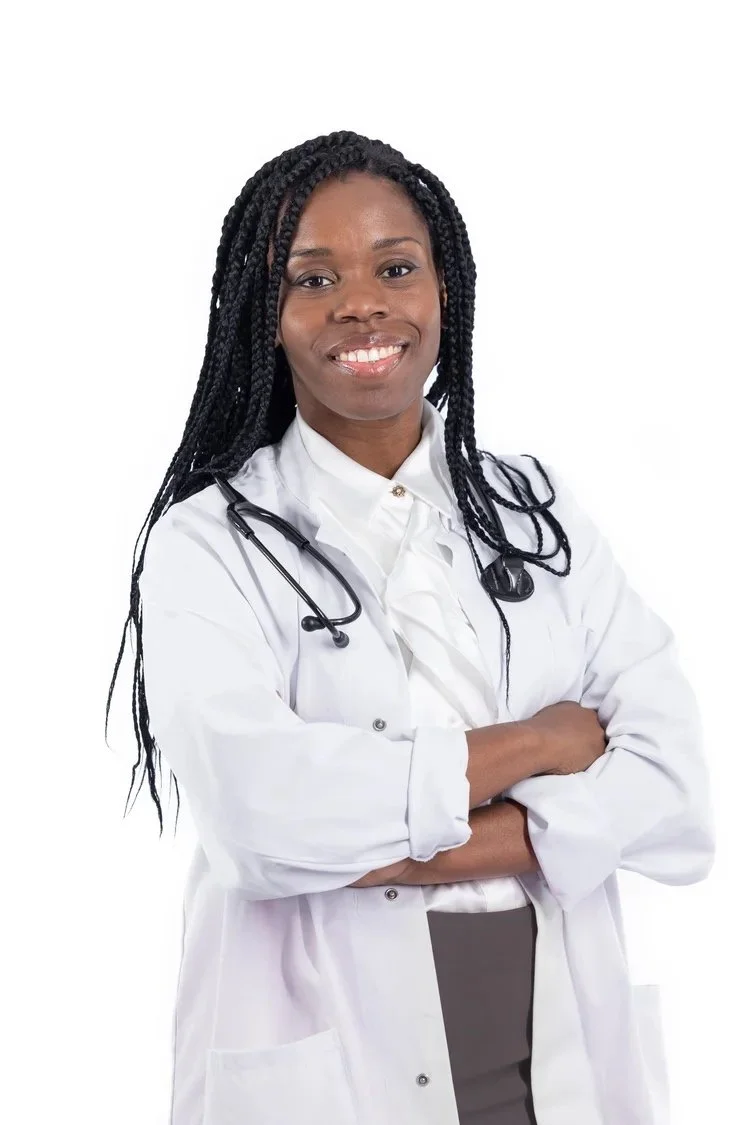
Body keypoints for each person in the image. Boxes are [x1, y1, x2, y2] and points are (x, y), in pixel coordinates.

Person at [105, 131, 715, 1125]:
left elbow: (676, 791)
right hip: (335, 1045)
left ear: (446, 292)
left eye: (396, 267)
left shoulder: (538, 510)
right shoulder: (207, 545)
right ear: (266, 313)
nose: (361, 303)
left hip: (552, 1019)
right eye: (314, 278)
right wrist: (544, 746)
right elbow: (258, 820)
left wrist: (383, 833)